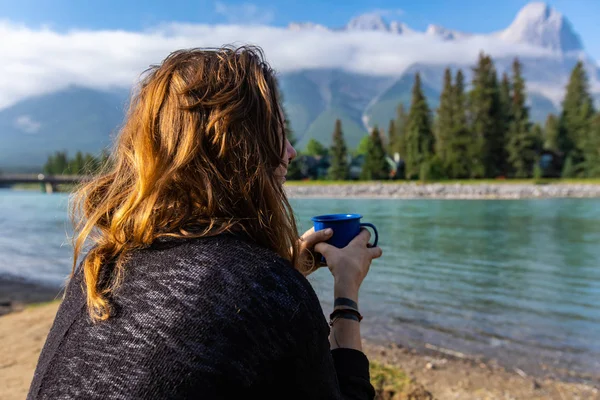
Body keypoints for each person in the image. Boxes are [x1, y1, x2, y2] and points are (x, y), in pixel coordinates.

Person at [27, 45, 382, 400]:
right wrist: (346, 293)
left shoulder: (100, 269)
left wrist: (287, 266)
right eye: (278, 130)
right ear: (244, 146)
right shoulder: (271, 290)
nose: (290, 151)